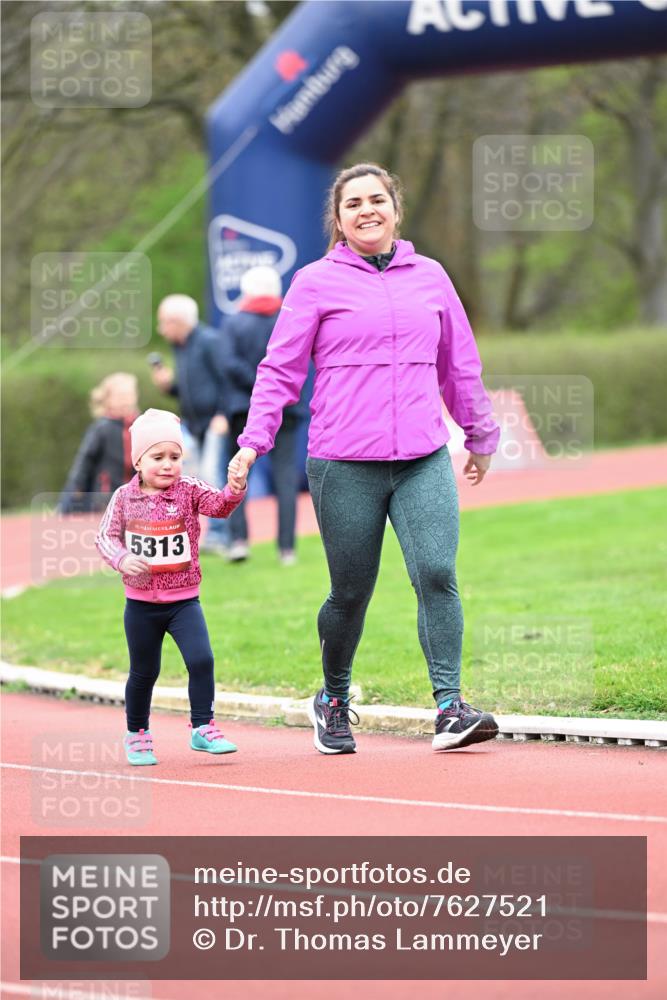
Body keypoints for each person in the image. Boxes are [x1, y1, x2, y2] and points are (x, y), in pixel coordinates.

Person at [229, 162, 501, 756]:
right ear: (340, 220)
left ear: (395, 210)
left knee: (436, 572)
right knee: (351, 591)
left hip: (422, 458)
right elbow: (280, 370)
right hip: (342, 462)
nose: (367, 210)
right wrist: (254, 442)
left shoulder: (430, 277)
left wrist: (480, 433)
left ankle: (451, 707)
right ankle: (332, 696)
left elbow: (459, 362)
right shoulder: (314, 283)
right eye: (353, 204)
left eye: (377, 199)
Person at [95, 408, 247, 765]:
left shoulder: (189, 490)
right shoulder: (123, 498)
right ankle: (137, 733)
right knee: (145, 672)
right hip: (141, 605)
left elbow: (220, 506)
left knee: (202, 659)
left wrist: (235, 489)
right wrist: (121, 559)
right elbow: (104, 537)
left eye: (175, 457)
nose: (167, 465)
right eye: (158, 457)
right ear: (138, 461)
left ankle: (203, 727)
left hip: (184, 602)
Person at [224, 264, 307, 565]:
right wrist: (274, 387)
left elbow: (228, 363)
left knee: (235, 473)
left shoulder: (234, 324)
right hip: (287, 408)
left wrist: (258, 385)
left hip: (243, 409)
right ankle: (287, 548)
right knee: (285, 477)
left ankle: (238, 540)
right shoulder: (288, 320)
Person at [151, 294, 230, 554]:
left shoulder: (209, 341)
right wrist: (169, 387)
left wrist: (223, 413)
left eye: (164, 322)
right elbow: (189, 390)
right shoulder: (180, 346)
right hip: (192, 423)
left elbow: (227, 381)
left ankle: (219, 535)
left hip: (214, 422)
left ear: (178, 321)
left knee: (212, 476)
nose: (161, 329)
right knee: (186, 480)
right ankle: (190, 535)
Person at [59, 372, 139, 513]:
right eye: (120, 396)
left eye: (129, 395)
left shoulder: (141, 425)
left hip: (135, 494)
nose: (126, 400)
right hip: (105, 494)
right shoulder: (102, 428)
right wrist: (77, 487)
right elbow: (85, 459)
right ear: (107, 400)